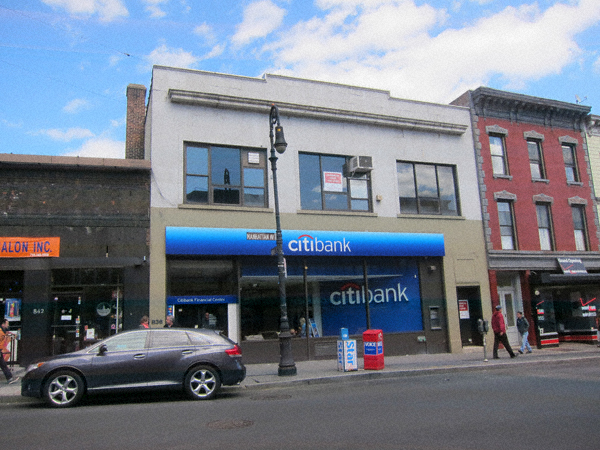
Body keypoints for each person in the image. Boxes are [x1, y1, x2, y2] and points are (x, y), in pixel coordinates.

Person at [0, 319, 19, 384]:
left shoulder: (3, 331)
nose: (8, 325)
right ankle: (9, 378)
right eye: (7, 324)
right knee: (3, 365)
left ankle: (9, 378)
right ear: (3, 324)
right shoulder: (0, 332)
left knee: (3, 365)